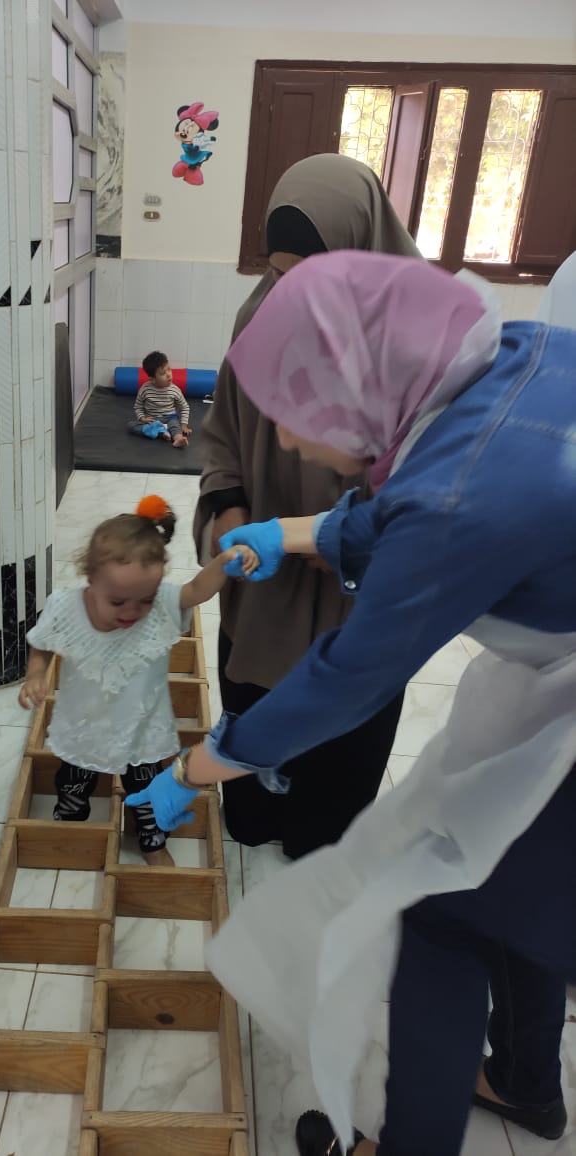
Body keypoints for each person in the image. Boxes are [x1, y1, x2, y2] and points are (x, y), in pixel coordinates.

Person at [125, 250, 576, 1156]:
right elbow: (406, 501)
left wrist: (195, 769)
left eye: (299, 419)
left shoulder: (459, 498)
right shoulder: (507, 357)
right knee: (505, 887)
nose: (291, 446)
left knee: (440, 909)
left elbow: (346, 677)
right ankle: (527, 1083)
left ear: (362, 394)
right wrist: (289, 534)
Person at [193, 153, 418, 858]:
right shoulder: (260, 312)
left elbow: (430, 477)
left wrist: (348, 538)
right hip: (267, 581)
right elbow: (224, 432)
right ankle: (260, 801)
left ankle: (323, 822)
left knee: (325, 823)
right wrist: (228, 507)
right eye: (280, 273)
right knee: (250, 813)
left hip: (356, 588)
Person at [19, 495, 256, 867]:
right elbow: (41, 643)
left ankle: (152, 842)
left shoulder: (161, 604)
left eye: (145, 599)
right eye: (117, 602)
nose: (132, 611)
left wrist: (225, 561)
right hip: (85, 723)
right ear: (90, 579)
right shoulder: (65, 607)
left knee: (148, 791)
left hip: (140, 728)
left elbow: (196, 590)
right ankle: (71, 822)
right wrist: (35, 674)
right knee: (74, 780)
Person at [128, 351, 192, 448]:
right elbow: (138, 406)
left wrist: (184, 424)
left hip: (169, 418)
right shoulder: (145, 389)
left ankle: (178, 439)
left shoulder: (174, 390)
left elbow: (185, 407)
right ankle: (161, 433)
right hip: (152, 421)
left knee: (175, 425)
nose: (168, 374)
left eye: (169, 369)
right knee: (131, 425)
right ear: (152, 379)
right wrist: (142, 418)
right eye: (163, 373)